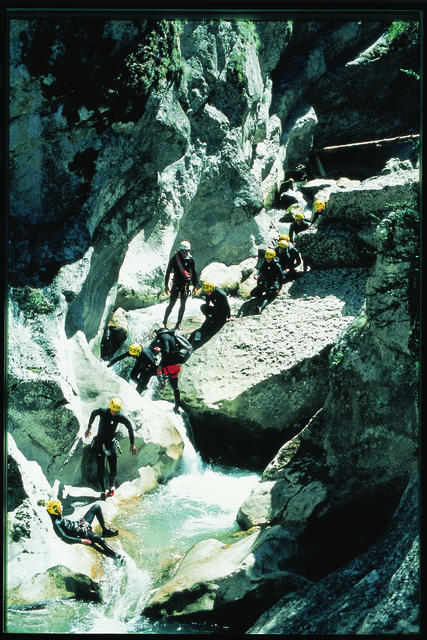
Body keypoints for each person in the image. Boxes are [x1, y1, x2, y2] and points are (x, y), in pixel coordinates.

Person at [85, 398, 137, 499]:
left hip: (110, 444)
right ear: (110, 407)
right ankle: (102, 490)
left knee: (113, 467)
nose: (114, 413)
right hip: (99, 443)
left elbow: (129, 427)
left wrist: (132, 443)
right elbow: (93, 413)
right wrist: (89, 427)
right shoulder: (103, 411)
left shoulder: (119, 417)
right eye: (113, 410)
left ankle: (111, 486)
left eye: (116, 411)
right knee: (100, 468)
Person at [46, 499, 123, 561]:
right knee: (99, 539)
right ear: (56, 510)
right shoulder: (56, 524)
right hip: (82, 533)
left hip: (80, 525)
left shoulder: (56, 515)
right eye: (60, 507)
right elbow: (65, 538)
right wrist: (81, 540)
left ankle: (105, 530)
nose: (62, 507)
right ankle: (116, 556)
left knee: (96, 507)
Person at [163, 240, 198, 330]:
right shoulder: (175, 258)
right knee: (172, 303)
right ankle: (164, 321)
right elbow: (168, 271)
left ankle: (178, 323)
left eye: (185, 251)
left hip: (186, 285)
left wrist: (195, 286)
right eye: (182, 251)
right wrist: (166, 285)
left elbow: (193, 273)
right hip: (176, 284)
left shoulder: (191, 260)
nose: (183, 253)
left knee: (183, 305)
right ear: (180, 250)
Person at [251, 248, 284, 313]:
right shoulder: (265, 262)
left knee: (268, 296)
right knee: (253, 293)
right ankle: (260, 297)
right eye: (267, 258)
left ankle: (260, 308)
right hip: (265, 281)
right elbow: (260, 269)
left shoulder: (276, 266)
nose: (267, 259)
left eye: (269, 258)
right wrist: (256, 274)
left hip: (273, 283)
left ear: (273, 258)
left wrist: (280, 289)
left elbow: (281, 278)